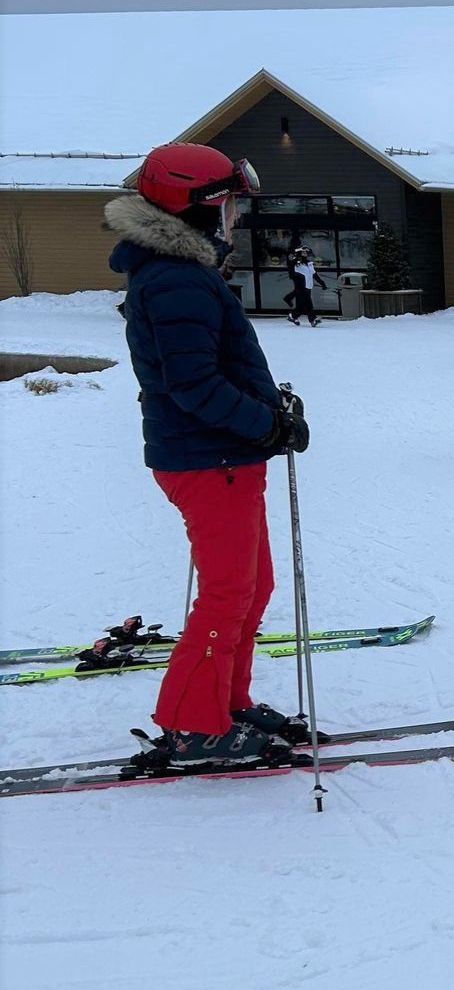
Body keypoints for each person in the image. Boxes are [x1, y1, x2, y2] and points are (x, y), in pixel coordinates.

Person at [104, 144, 311, 770]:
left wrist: (268, 408)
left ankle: (227, 702)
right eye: (229, 203)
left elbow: (211, 367)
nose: (235, 217)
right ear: (200, 207)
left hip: (225, 454)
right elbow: (191, 385)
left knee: (252, 587)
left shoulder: (183, 274)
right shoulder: (174, 280)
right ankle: (194, 725)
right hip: (207, 458)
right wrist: (265, 426)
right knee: (226, 595)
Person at [285, 245, 326, 326]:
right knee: (308, 303)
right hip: (300, 287)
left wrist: (322, 283)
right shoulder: (297, 262)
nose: (305, 253)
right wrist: (295, 256)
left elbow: (314, 275)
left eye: (306, 252)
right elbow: (292, 260)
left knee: (301, 306)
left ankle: (292, 316)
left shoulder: (309, 264)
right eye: (303, 252)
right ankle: (313, 320)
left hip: (308, 286)